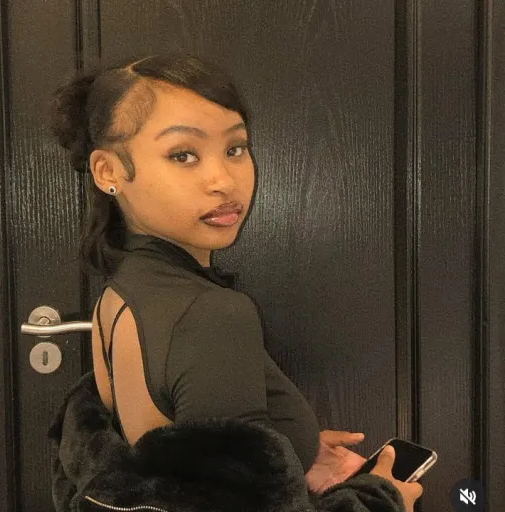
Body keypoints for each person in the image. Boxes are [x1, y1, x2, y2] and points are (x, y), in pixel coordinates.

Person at [47, 53, 423, 512]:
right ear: (109, 171)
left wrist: (289, 449)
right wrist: (383, 499)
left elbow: (170, 458)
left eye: (235, 148)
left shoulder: (121, 291)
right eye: (183, 155)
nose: (223, 180)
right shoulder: (209, 315)